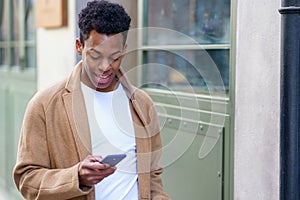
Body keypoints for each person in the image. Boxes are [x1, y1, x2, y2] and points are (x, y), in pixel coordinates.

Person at [13, 1, 170, 199]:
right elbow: (27, 180)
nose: (105, 66)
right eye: (95, 55)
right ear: (79, 47)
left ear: (124, 49)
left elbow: (152, 174)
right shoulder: (45, 105)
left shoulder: (142, 104)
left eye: (115, 57)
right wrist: (76, 177)